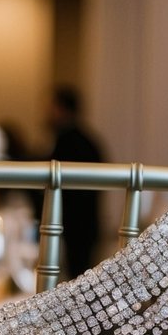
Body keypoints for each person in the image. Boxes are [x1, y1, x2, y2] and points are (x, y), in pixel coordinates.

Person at [44, 84, 104, 277]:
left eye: (51, 106)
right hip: (86, 222)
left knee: (77, 277)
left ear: (61, 108)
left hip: (77, 223)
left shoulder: (70, 141)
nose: (48, 111)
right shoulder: (88, 139)